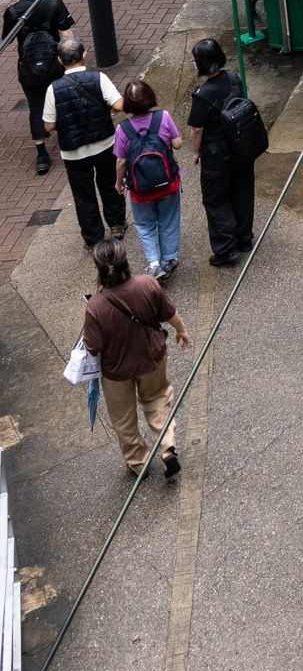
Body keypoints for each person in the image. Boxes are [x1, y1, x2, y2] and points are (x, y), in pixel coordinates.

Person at [80, 237, 190, 482]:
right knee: (158, 399)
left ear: (99, 270)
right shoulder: (147, 284)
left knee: (124, 418)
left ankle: (139, 463)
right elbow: (169, 314)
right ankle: (168, 448)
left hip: (116, 372)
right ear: (126, 262)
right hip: (152, 358)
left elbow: (93, 346)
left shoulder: (95, 306)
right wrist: (181, 331)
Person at [42, 37, 126, 249]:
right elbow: (119, 104)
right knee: (109, 183)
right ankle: (116, 225)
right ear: (84, 54)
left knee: (83, 193)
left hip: (73, 151)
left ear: (60, 60)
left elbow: (48, 126)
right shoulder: (99, 78)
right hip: (105, 142)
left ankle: (93, 237)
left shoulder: (54, 89)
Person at [188, 39, 258, 267]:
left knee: (216, 200)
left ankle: (226, 250)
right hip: (241, 146)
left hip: (217, 153)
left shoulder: (202, 95)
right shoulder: (233, 78)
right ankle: (244, 238)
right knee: (242, 191)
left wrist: (196, 152)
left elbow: (197, 129)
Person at [5, 0, 74, 176]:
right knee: (60, 99)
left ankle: (42, 154)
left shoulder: (13, 12)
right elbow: (67, 36)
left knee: (36, 107)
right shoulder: (55, 4)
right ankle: (66, 140)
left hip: (28, 68)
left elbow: (7, 38)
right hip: (54, 64)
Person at [114, 78, 183, 280]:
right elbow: (177, 144)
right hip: (167, 183)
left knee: (144, 224)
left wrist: (119, 183)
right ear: (150, 97)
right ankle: (169, 259)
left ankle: (153, 263)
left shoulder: (122, 129)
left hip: (139, 189)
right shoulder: (164, 117)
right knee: (168, 219)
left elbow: (121, 162)